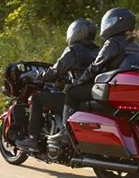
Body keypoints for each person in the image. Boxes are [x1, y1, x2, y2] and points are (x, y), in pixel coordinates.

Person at [48, 7, 139, 145]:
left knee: (71, 91)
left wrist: (79, 82)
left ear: (116, 23)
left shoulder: (112, 42)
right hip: (127, 89)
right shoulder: (135, 44)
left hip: (110, 87)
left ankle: (66, 133)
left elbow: (96, 66)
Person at [15, 19, 100, 151]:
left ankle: (32, 139)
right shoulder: (98, 51)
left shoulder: (73, 50)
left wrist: (39, 76)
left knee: (37, 97)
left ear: (76, 32)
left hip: (75, 96)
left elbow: (56, 70)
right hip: (92, 94)